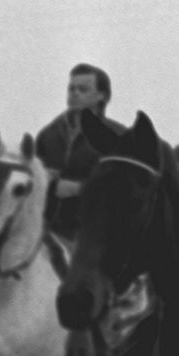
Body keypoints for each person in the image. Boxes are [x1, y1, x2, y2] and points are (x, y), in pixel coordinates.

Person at [34, 64, 122, 240]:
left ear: (101, 95)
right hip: (47, 233)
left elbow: (127, 188)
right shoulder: (48, 135)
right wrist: (43, 178)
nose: (74, 93)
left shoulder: (118, 137)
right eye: (71, 88)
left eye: (83, 89)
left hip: (96, 236)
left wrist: (80, 188)